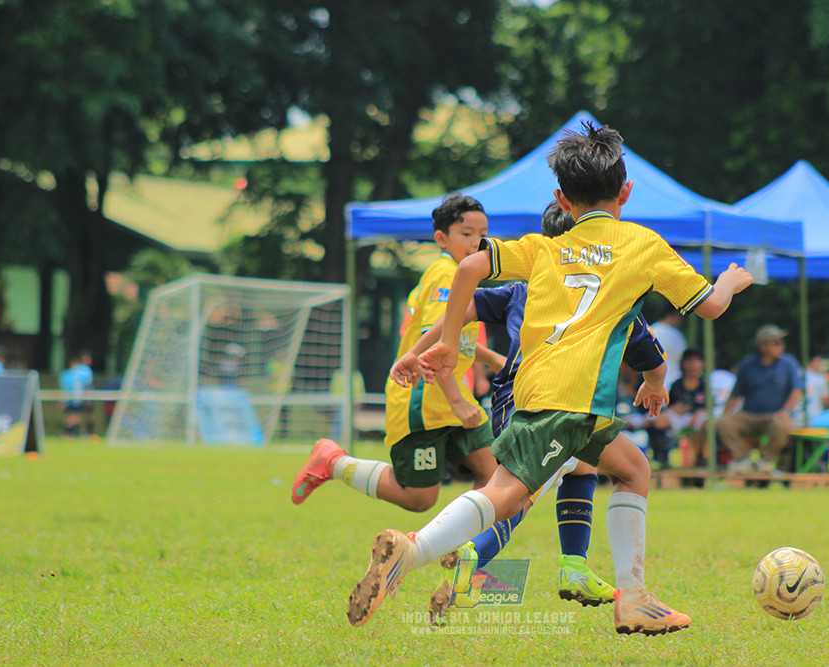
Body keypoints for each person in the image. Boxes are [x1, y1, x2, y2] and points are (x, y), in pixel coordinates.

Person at [347, 121, 753, 635]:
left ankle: (633, 599)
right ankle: (412, 551)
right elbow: (711, 308)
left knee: (632, 468)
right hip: (572, 399)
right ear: (626, 190)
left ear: (562, 197)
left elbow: (469, 268)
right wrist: (731, 281)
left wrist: (448, 340)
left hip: (542, 393)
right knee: (506, 494)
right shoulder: (644, 245)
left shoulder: (543, 248)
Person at [390, 201, 670, 610]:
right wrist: (655, 381)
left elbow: (465, 309)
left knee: (585, 461)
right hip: (548, 402)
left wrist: (416, 350)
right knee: (516, 497)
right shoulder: (608, 292)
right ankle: (464, 556)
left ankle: (574, 563)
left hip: (531, 400)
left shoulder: (523, 286)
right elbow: (649, 350)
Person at [290, 195, 500, 513]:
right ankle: (334, 462)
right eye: (466, 233)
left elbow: (455, 335)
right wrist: (457, 401)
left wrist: (494, 360)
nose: (477, 242)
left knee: (493, 474)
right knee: (419, 498)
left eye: (482, 233)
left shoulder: (465, 274)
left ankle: (467, 552)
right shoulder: (447, 275)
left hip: (454, 398)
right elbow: (437, 342)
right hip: (423, 401)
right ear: (441, 239)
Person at [717, 324, 802, 473]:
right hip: (749, 414)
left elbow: (796, 390)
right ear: (763, 347)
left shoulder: (788, 364)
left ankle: (765, 461)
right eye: (776, 343)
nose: (781, 346)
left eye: (781, 343)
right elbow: (735, 394)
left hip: (774, 415)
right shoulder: (748, 365)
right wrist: (725, 414)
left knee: (780, 425)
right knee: (723, 423)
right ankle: (743, 459)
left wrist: (786, 411)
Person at [651, 348, 707, 466]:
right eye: (689, 361)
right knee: (659, 421)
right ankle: (662, 458)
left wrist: (698, 412)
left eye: (696, 361)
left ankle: (701, 458)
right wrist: (674, 409)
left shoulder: (705, 385)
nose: (692, 366)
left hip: (697, 417)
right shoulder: (677, 385)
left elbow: (709, 406)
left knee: (706, 422)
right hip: (679, 417)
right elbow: (669, 405)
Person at [791, 353, 829, 428]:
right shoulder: (821, 378)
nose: (821, 365)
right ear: (813, 361)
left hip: (795, 419)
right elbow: (826, 402)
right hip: (815, 420)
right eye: (819, 362)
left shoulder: (796, 374)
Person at [59, 351, 94, 437]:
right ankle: (70, 433)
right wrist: (88, 398)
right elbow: (87, 385)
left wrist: (62, 401)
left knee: (74, 415)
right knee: (75, 415)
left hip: (70, 398)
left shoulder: (66, 374)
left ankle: (71, 433)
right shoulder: (84, 371)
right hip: (77, 397)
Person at [649, 310, 687, 387]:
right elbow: (684, 357)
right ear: (670, 315)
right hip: (674, 381)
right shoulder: (676, 334)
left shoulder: (651, 330)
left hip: (652, 382)